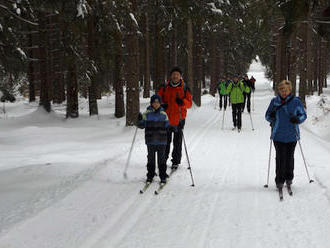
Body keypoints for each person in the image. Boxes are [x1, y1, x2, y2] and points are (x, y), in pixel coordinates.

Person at [265, 80, 307, 189]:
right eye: (282, 90)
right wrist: (272, 116)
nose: (284, 92)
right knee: (280, 158)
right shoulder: (274, 102)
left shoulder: (296, 102)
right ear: (279, 90)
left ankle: (289, 178)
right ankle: (279, 180)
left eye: (286, 90)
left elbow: (303, 115)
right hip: (278, 135)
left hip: (292, 135)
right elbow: (267, 116)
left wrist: (297, 119)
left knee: (289, 157)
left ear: (290, 90)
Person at [158, 66, 193, 170]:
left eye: (177, 74)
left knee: (177, 141)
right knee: (165, 141)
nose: (175, 76)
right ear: (170, 76)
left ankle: (175, 161)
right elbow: (157, 100)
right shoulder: (164, 87)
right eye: (173, 74)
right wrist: (161, 104)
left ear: (180, 76)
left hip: (179, 118)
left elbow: (190, 103)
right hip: (166, 118)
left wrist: (182, 102)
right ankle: (163, 159)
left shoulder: (185, 88)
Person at [137, 94, 169, 184]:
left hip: (161, 141)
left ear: (160, 103)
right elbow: (141, 126)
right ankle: (150, 175)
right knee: (151, 159)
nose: (156, 104)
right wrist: (139, 120)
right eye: (154, 102)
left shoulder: (163, 114)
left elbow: (167, 126)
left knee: (161, 160)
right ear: (151, 103)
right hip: (150, 141)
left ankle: (163, 176)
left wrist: (175, 126)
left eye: (157, 102)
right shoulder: (146, 114)